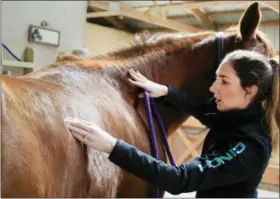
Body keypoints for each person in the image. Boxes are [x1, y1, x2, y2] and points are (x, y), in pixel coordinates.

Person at [64, 50, 279, 198]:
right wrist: (165, 91)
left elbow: (178, 180)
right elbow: (201, 108)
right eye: (216, 78)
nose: (213, 88)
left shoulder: (250, 145)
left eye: (224, 81)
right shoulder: (236, 114)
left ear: (249, 90)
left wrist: (112, 146)